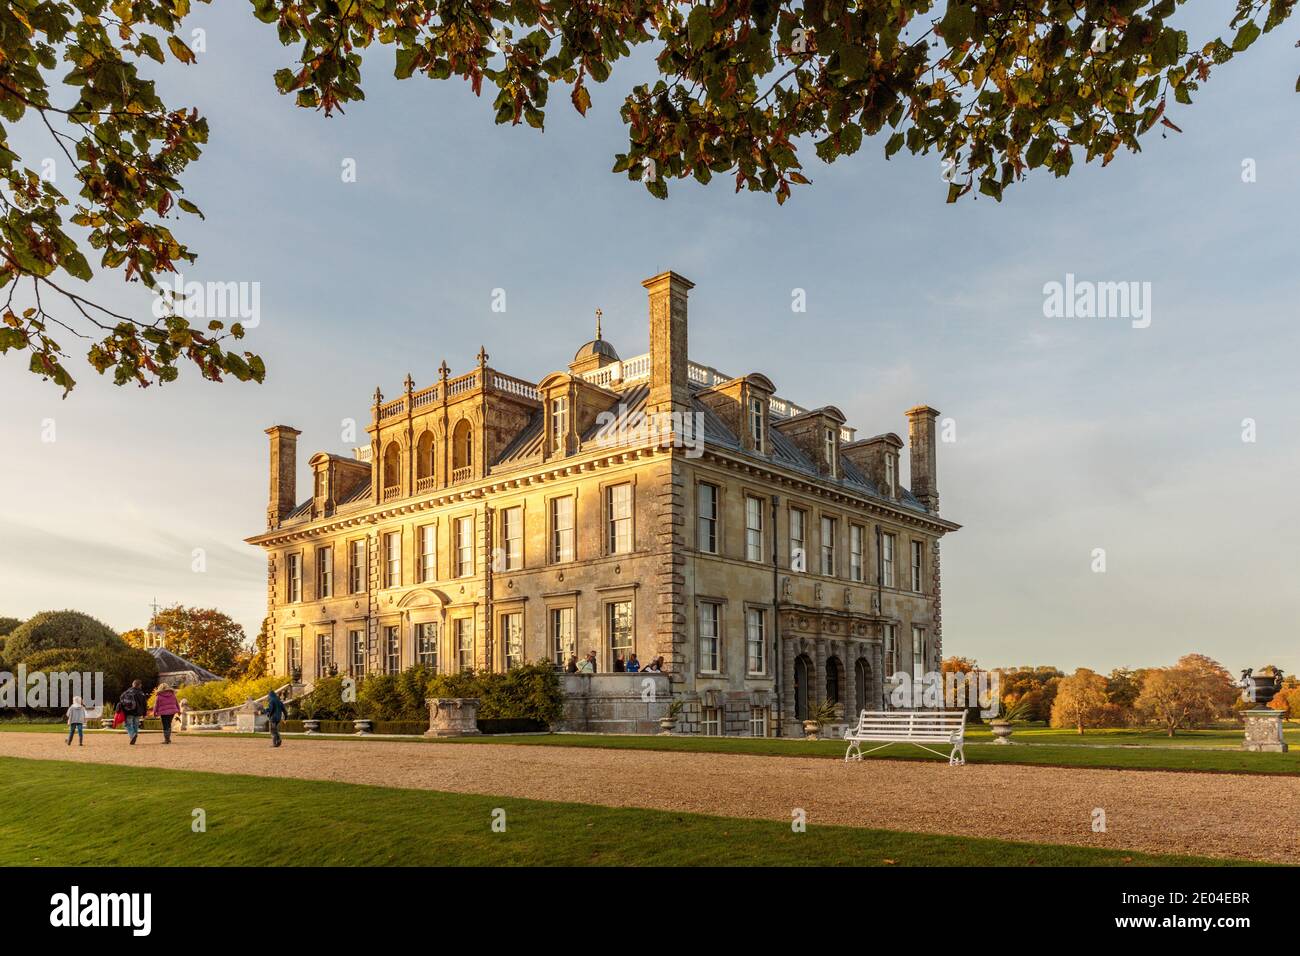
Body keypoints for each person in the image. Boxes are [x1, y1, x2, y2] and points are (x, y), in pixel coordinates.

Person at [119, 680, 149, 745]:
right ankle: (134, 736)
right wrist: (144, 713)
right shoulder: (142, 693)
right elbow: (144, 704)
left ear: (133, 684)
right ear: (140, 685)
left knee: (127, 724)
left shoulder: (127, 692)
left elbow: (121, 699)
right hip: (138, 712)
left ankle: (132, 735)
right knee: (135, 725)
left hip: (128, 711)